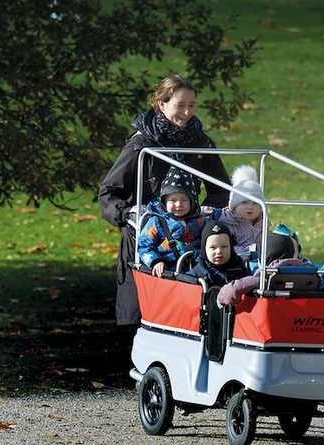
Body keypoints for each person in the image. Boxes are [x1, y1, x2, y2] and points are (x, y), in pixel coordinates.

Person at [99, 74, 231, 328]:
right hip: (146, 239)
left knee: (187, 317)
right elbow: (108, 192)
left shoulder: (201, 143)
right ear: (161, 104)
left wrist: (209, 208)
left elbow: (222, 189)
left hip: (190, 239)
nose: (186, 112)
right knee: (141, 318)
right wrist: (128, 213)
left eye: (191, 105)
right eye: (180, 105)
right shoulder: (141, 144)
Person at [137, 167, 207, 276]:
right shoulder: (157, 222)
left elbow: (210, 240)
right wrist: (156, 261)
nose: (179, 205)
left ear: (192, 202)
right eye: (173, 200)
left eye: (184, 200)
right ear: (164, 202)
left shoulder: (201, 220)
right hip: (168, 268)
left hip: (196, 266)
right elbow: (144, 245)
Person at [216, 233, 313, 306]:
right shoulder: (310, 276)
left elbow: (231, 292)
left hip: (269, 323)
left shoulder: (262, 280)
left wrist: (220, 300)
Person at [214, 164, 266, 253]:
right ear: (234, 206)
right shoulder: (228, 224)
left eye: (255, 203)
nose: (250, 207)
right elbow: (225, 250)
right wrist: (251, 250)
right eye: (244, 202)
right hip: (237, 262)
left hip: (263, 261)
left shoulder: (262, 222)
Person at [188, 220, 249, 287]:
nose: (219, 251)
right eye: (213, 247)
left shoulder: (239, 267)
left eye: (224, 246)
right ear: (204, 250)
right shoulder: (199, 272)